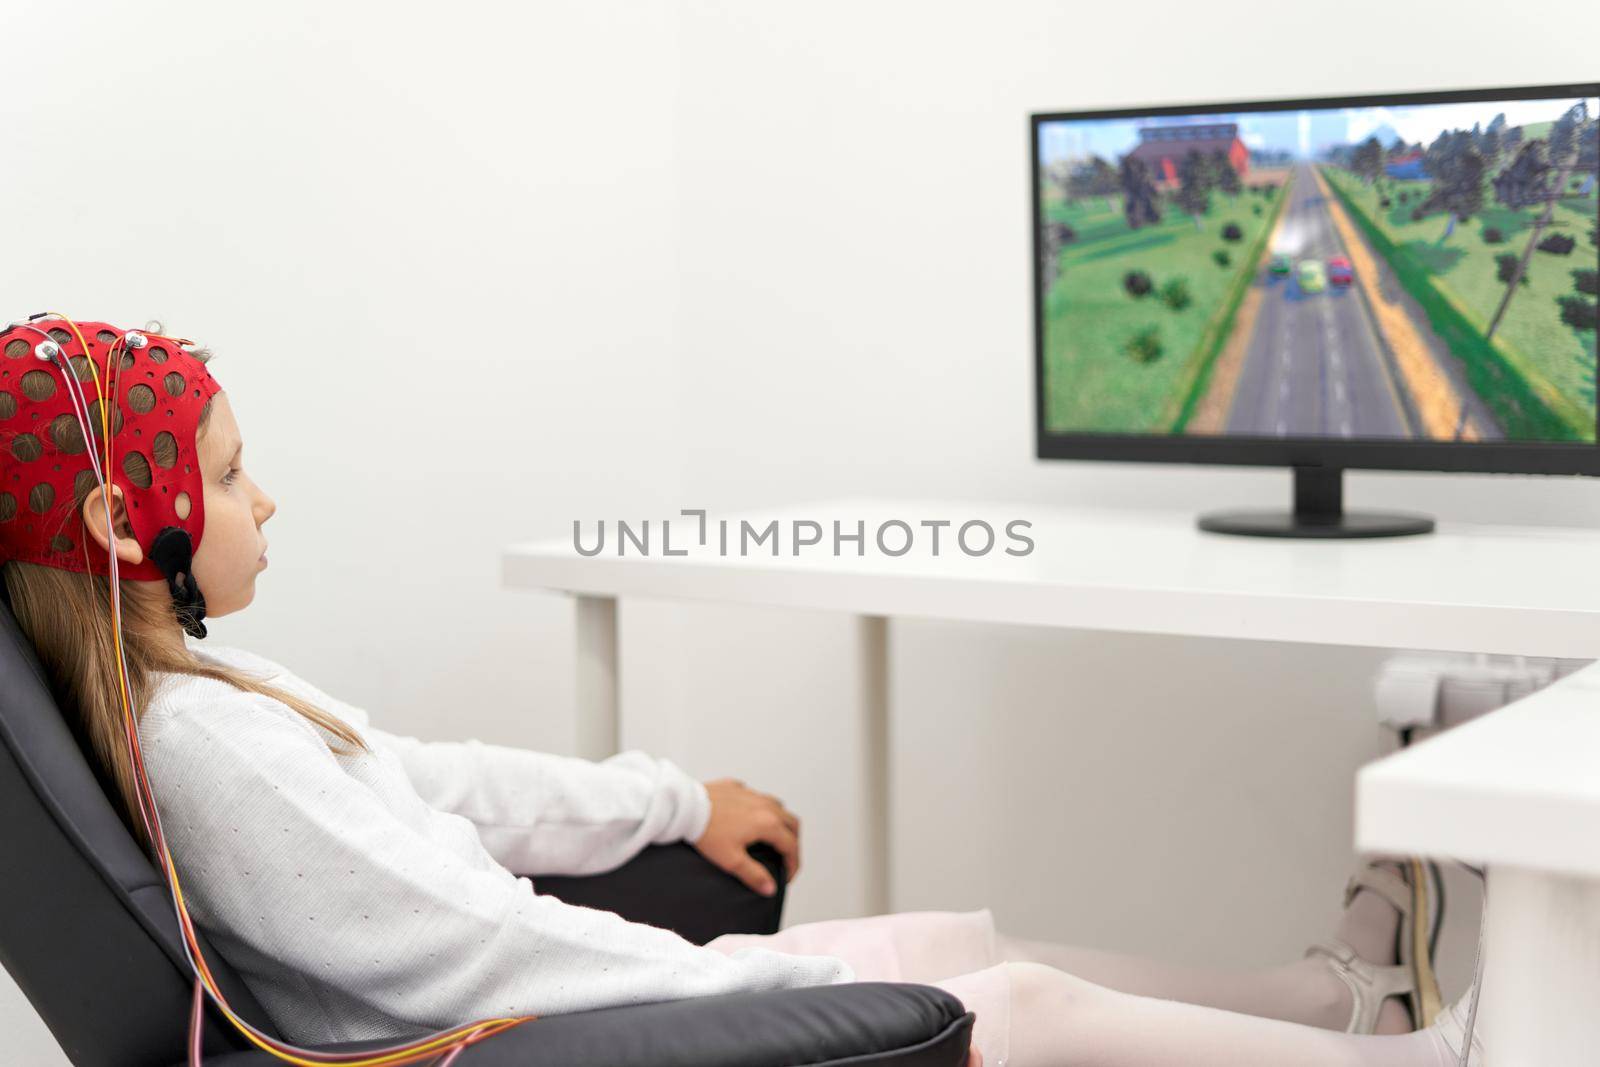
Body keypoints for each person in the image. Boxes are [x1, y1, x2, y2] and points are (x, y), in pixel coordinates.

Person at [0, 316, 1483, 1066]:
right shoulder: (207, 744)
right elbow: (486, 961)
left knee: (958, 933)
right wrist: (801, 988)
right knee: (1009, 1003)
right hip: (535, 1038)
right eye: (232, 471)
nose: (270, 497)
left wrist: (671, 798)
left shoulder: (209, 689)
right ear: (133, 526)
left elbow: (433, 782)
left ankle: (1336, 996)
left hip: (537, 1001)